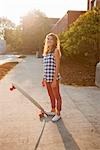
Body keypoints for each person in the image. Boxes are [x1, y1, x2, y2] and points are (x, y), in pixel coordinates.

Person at [42, 33, 62, 122]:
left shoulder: (56, 51)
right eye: (48, 39)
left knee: (57, 96)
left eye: (51, 39)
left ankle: (58, 114)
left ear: (54, 41)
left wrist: (54, 80)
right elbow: (46, 66)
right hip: (47, 78)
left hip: (54, 78)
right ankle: (53, 110)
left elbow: (57, 66)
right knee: (51, 95)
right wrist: (43, 78)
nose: (49, 40)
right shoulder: (46, 52)